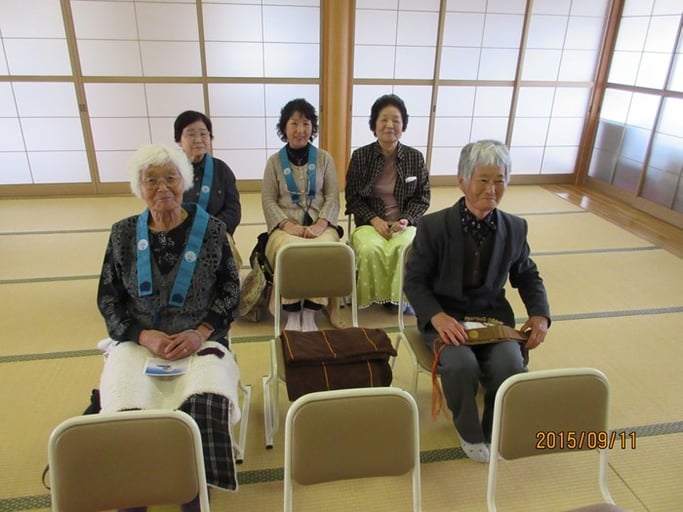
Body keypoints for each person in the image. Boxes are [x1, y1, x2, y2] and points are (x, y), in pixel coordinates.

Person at [96, 144, 242, 510]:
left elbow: (230, 292)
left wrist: (201, 331)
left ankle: (193, 493)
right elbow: (109, 299)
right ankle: (134, 496)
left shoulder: (213, 231)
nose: (162, 187)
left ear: (184, 181)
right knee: (125, 410)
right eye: (151, 180)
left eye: (171, 178)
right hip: (139, 342)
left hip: (200, 340)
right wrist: (142, 335)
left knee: (204, 404)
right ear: (139, 187)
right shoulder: (122, 234)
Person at [403, 140, 550, 463]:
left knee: (510, 365)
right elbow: (414, 281)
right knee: (461, 365)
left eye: (499, 180)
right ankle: (469, 432)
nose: (491, 189)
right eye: (483, 179)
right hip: (446, 318)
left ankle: (494, 428)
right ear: (462, 181)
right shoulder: (434, 226)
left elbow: (527, 274)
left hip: (492, 319)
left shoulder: (515, 227)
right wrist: (437, 316)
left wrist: (540, 314)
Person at [261, 98, 341, 332]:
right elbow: (268, 199)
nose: (300, 129)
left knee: (326, 249)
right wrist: (287, 225)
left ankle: (311, 312)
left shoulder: (324, 158)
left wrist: (321, 224)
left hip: (321, 224)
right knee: (288, 250)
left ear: (312, 127)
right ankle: (293, 312)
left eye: (306, 123)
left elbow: (333, 196)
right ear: (284, 127)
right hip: (285, 226)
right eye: (294, 123)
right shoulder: (274, 162)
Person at [345, 94, 430, 311]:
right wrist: (374, 220)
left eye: (396, 120)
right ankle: (375, 295)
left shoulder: (415, 157)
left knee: (405, 248)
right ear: (374, 124)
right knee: (371, 249)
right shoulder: (361, 156)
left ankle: (399, 298)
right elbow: (352, 197)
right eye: (383, 119)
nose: (389, 125)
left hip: (404, 223)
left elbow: (422, 197)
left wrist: (406, 219)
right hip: (370, 223)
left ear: (403, 125)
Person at [174, 110, 243, 269]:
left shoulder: (222, 170)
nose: (198, 139)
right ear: (179, 140)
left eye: (203, 134)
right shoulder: (171, 171)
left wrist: (210, 230)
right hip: (180, 238)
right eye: (191, 134)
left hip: (216, 236)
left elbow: (234, 211)